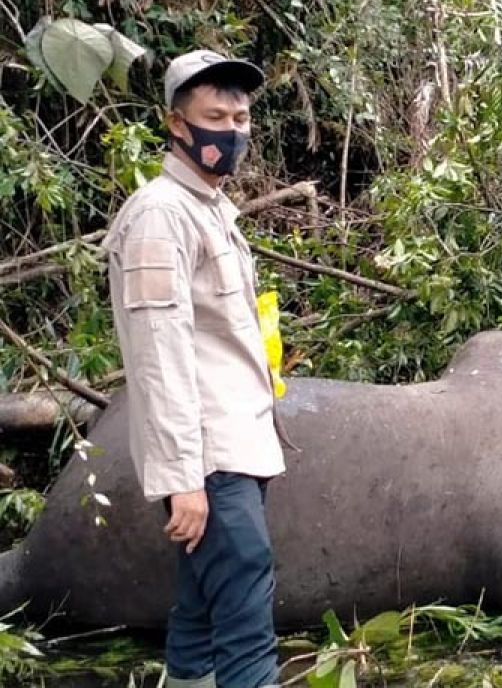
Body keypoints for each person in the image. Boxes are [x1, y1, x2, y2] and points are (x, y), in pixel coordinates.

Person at [102, 50, 287, 688]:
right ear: (177, 124)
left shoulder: (209, 207)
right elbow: (160, 356)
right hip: (210, 457)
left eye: (241, 117)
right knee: (245, 621)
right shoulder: (160, 216)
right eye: (216, 116)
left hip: (238, 442)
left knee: (205, 609)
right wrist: (184, 478)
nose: (232, 130)